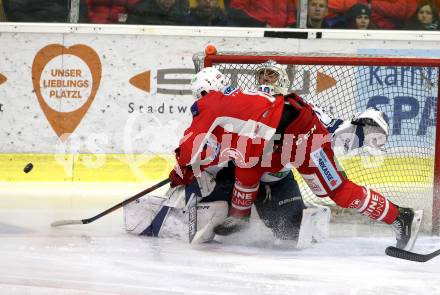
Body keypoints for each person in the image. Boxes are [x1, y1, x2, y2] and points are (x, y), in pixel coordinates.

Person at [169, 64, 422, 251]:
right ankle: (239, 218)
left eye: (272, 74)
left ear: (204, 92)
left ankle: (401, 216)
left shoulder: (218, 103)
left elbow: (191, 145)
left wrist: (182, 172)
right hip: (280, 146)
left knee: (335, 191)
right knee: (247, 167)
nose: (266, 79)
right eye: (263, 74)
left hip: (301, 138)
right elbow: (225, 144)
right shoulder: (243, 99)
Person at [225, 0, 297, 28]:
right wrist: (261, 25)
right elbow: (236, 12)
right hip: (256, 35)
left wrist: (289, 27)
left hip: (281, 37)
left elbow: (290, 13)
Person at [5, 0, 88, 23]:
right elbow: (15, 12)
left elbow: (81, 11)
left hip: (67, 33)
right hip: (32, 35)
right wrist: (38, 27)